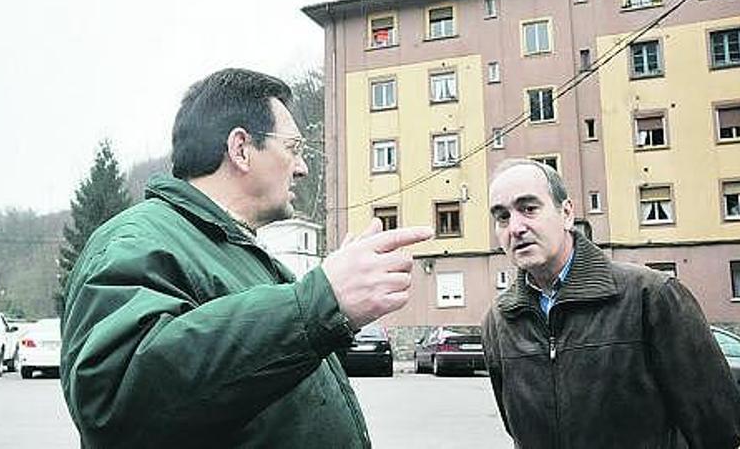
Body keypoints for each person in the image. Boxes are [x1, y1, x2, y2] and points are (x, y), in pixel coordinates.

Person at [60, 68, 433, 448]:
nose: (302, 168)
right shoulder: (133, 241)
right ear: (240, 149)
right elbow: (116, 401)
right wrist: (320, 301)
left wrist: (339, 314)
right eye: (293, 149)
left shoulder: (236, 250)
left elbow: (253, 376)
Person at [482, 158, 740, 449]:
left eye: (529, 209)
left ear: (566, 213)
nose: (515, 227)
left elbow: (718, 430)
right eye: (502, 217)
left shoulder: (651, 296)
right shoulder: (499, 322)